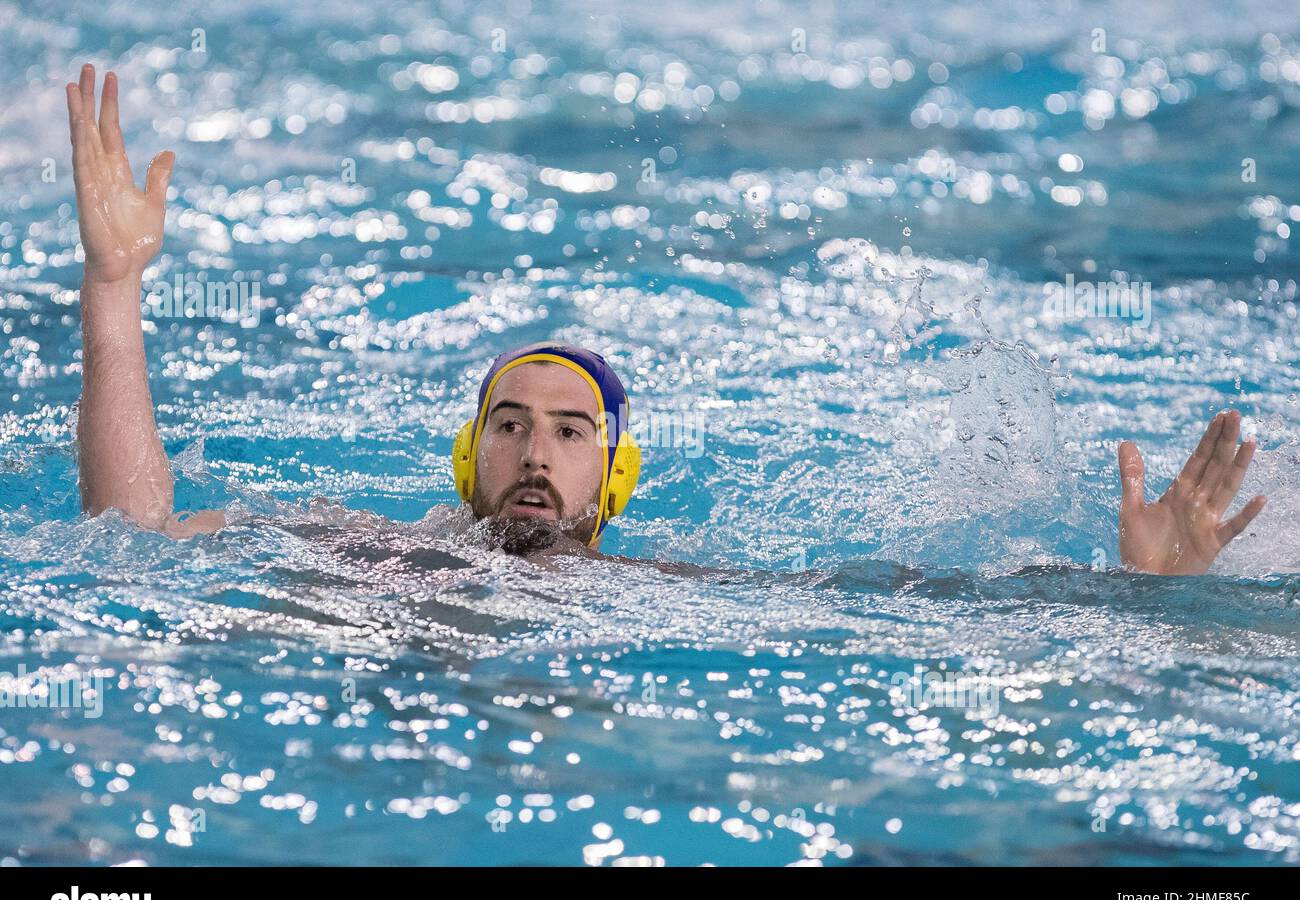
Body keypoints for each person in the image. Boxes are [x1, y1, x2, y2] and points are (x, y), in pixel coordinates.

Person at [64, 64, 1268, 574]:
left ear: (616, 472)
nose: (537, 450)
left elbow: (945, 613)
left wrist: (1148, 593)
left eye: (572, 430)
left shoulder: (679, 588)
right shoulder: (375, 549)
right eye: (512, 424)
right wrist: (114, 285)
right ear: (466, 452)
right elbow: (132, 529)